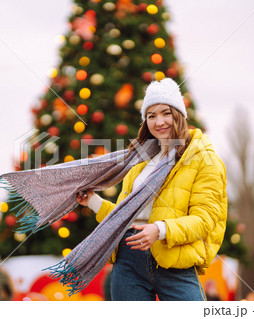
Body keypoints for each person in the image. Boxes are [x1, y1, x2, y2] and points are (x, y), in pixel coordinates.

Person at [77, 78, 227, 301]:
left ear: (180, 114)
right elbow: (124, 216)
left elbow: (204, 221)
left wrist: (160, 229)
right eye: (151, 116)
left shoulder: (204, 159)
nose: (159, 122)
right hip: (129, 261)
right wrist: (93, 201)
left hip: (174, 260)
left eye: (166, 113)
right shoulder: (140, 163)